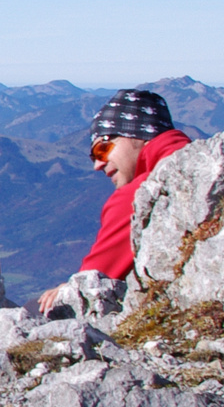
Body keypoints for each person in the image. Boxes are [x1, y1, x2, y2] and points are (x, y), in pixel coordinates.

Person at [35, 89, 191, 313]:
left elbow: (94, 282)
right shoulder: (209, 163)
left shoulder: (139, 195)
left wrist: (69, 290)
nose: (98, 165)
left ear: (137, 134)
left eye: (102, 149)